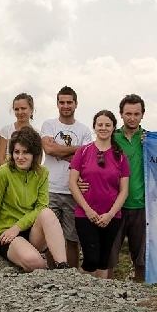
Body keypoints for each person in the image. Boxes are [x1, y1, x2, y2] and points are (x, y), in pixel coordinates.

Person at [0, 127, 70, 271]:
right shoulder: (2, 174)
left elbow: (41, 207)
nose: (20, 157)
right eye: (16, 152)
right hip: (6, 233)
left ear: (34, 153)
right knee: (32, 261)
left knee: (47, 213)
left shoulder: (42, 173)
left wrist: (18, 227)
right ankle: (46, 270)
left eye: (26, 152)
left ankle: (63, 266)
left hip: (31, 230)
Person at [68, 110, 129, 278]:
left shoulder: (120, 156)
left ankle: (100, 301)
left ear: (114, 128)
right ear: (94, 127)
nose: (103, 128)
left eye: (107, 125)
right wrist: (87, 210)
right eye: (100, 125)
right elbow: (72, 183)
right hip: (85, 214)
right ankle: (76, 290)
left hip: (111, 216)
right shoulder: (83, 151)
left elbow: (124, 190)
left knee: (104, 260)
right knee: (91, 260)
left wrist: (110, 214)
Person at [40, 86, 92, 268]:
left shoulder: (84, 130)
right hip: (50, 188)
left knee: (72, 237)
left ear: (76, 104)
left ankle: (70, 275)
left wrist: (59, 151)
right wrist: (76, 152)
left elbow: (86, 157)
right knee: (50, 235)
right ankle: (52, 271)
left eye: (69, 102)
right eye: (62, 102)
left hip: (73, 190)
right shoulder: (49, 125)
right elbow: (48, 149)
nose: (65, 105)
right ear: (57, 104)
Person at [108, 94, 147, 282]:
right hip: (114, 205)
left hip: (141, 204)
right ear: (121, 114)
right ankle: (107, 292)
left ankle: (141, 293)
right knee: (110, 253)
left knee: (141, 255)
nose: (132, 118)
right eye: (128, 113)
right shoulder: (111, 138)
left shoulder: (149, 140)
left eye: (136, 114)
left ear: (142, 115)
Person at [0, 93, 36, 166]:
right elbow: (0, 159)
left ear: (31, 109)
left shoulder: (37, 134)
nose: (20, 112)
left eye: (23, 108)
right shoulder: (6, 130)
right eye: (17, 109)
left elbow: (37, 161)